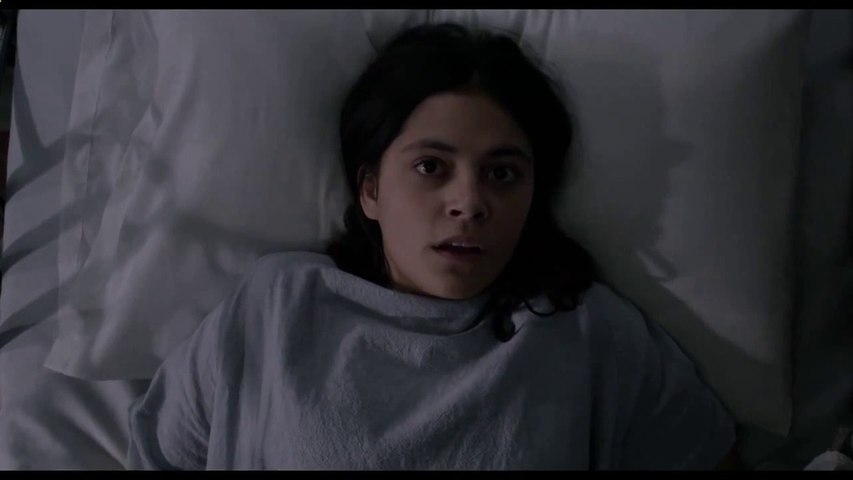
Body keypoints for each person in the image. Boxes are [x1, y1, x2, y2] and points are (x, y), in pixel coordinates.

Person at [126, 22, 737, 470]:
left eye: (502, 174)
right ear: (370, 189)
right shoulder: (278, 307)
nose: (469, 203)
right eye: (430, 167)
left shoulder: (586, 332)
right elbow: (165, 454)